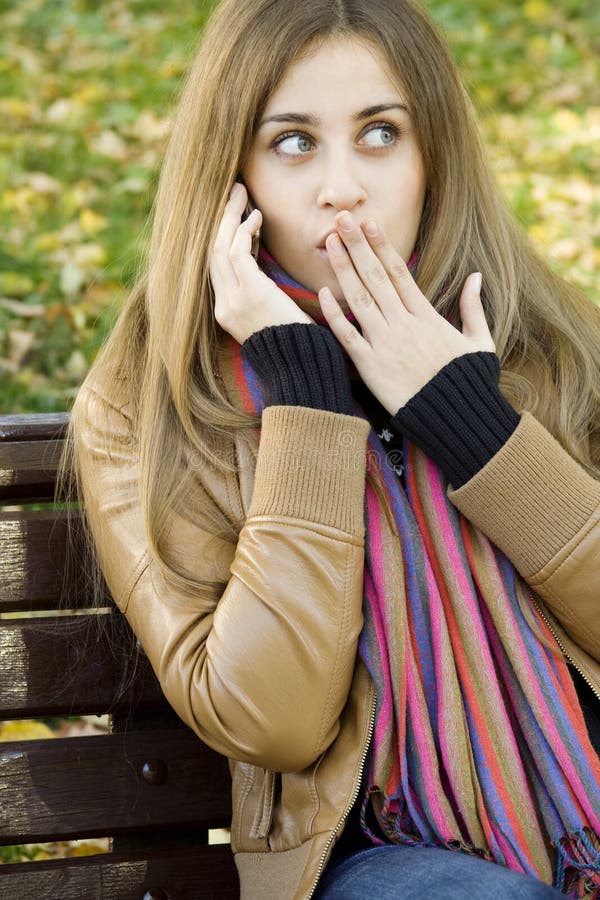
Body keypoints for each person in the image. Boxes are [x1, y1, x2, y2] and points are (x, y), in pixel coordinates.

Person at [68, 0, 600, 897]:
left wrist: (473, 424)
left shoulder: (548, 345)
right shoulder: (144, 405)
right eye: (294, 142)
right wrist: (306, 401)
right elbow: (271, 723)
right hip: (371, 862)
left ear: (434, 158)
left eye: (381, 133)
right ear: (230, 172)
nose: (342, 185)